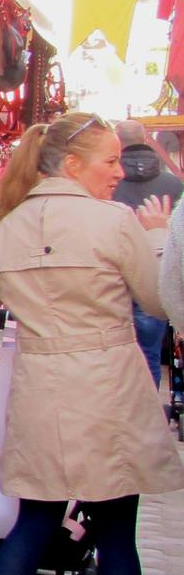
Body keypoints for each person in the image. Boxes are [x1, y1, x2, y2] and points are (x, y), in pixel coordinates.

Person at [0, 113, 184, 575]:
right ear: (73, 164)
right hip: (108, 381)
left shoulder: (3, 225)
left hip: (41, 383)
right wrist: (158, 236)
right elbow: (159, 301)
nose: (119, 171)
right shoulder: (113, 222)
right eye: (109, 160)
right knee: (115, 531)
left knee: (33, 520)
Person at [112, 119, 184, 390]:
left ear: (117, 140)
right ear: (145, 137)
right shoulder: (173, 185)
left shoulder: (106, 182)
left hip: (114, 279)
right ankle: (151, 416)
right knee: (150, 356)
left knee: (113, 358)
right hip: (155, 279)